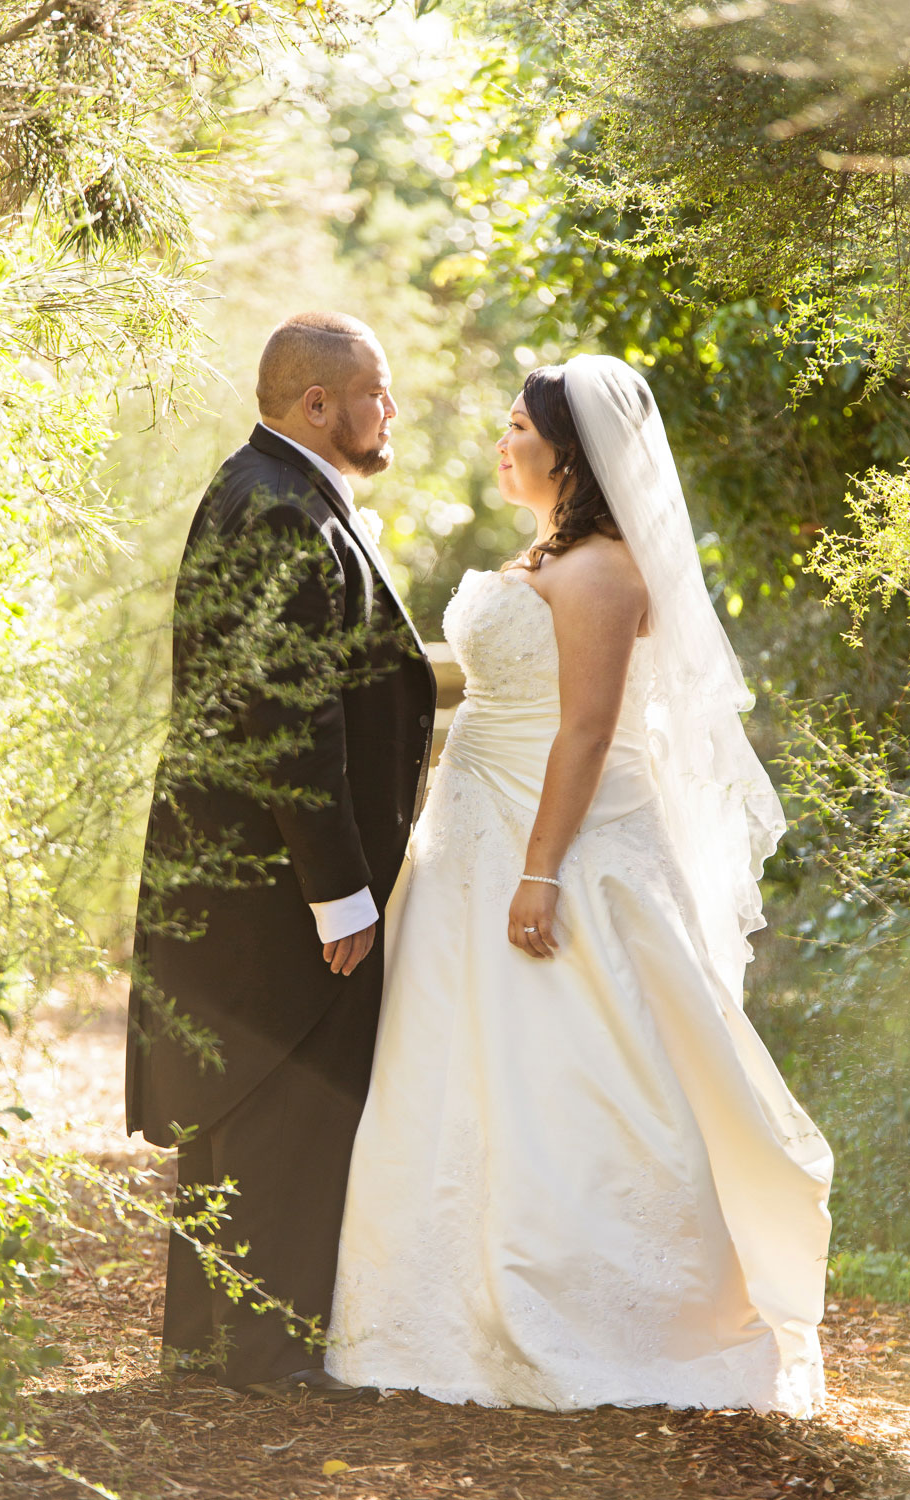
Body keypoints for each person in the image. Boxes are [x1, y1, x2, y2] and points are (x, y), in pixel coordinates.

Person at [326, 353, 833, 1416]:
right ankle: (429, 1305)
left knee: (567, 1065)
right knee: (452, 1067)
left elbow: (589, 730)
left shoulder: (600, 569)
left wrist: (539, 872)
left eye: (516, 424)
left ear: (567, 448)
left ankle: (604, 1318)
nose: (500, 440)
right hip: (469, 838)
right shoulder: (545, 553)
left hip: (548, 844)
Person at [125, 311, 435, 1399]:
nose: (388, 410)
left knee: (248, 1107)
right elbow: (282, 718)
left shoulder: (274, 495)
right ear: (318, 405)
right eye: (375, 393)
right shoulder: (275, 513)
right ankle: (260, 1359)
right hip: (271, 885)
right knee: (284, 1103)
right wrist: (340, 892)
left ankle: (217, 1351)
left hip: (248, 879)